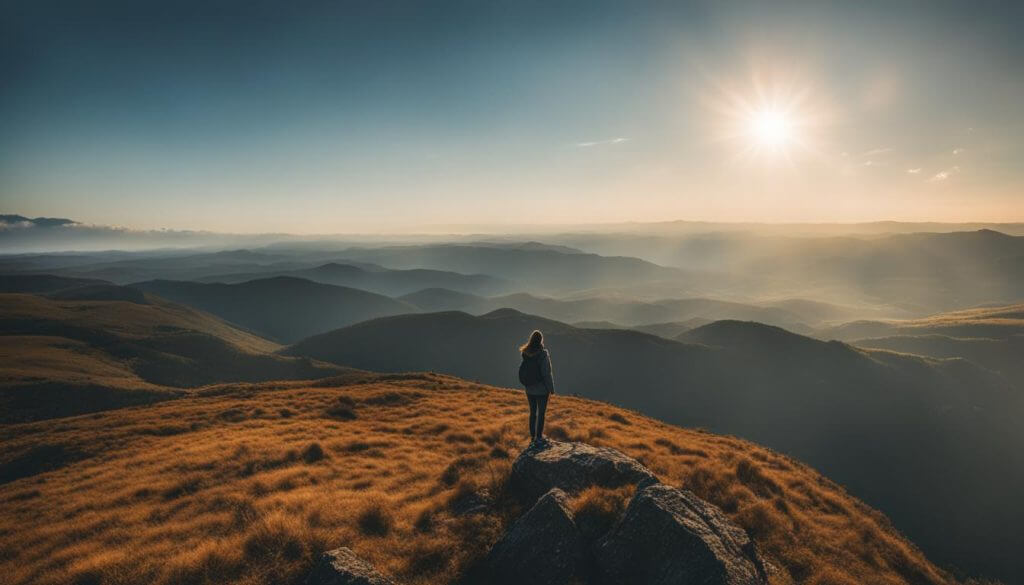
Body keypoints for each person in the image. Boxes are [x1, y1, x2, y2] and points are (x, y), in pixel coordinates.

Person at [518, 329, 555, 449]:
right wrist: (551, 389)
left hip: (529, 389)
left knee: (532, 413)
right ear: (541, 340)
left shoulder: (525, 353)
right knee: (541, 414)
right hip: (542, 390)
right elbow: (546, 373)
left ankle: (532, 437)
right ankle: (539, 437)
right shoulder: (543, 354)